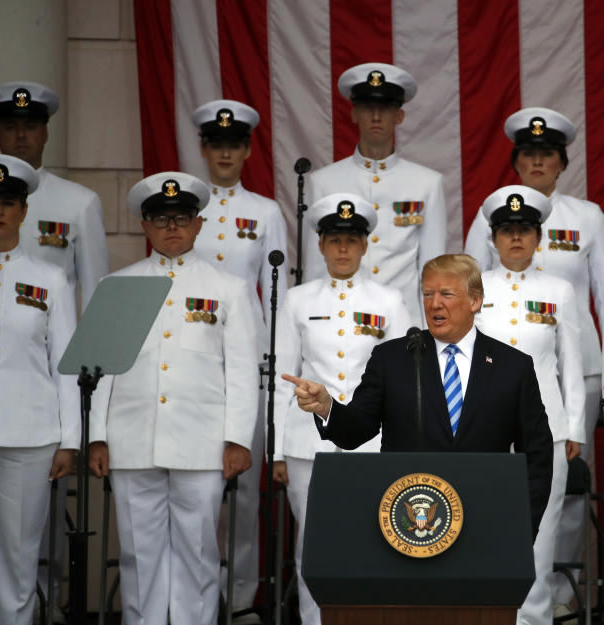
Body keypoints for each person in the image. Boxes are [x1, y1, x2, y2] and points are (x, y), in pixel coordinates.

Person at [88, 172, 259, 625]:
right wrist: (97, 436)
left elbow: (242, 371)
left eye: (181, 218)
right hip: (132, 437)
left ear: (199, 224)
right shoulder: (117, 285)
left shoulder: (228, 288)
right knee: (138, 556)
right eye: (160, 219)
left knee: (199, 553)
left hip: (202, 443)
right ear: (145, 226)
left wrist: (238, 439)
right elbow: (100, 371)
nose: (171, 227)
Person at [282, 253, 553, 535]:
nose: (434, 303)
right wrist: (328, 408)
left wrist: (522, 528)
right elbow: (356, 430)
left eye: (446, 294)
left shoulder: (513, 366)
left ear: (475, 301)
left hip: (485, 524)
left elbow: (537, 455)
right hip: (408, 523)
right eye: (427, 294)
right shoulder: (394, 358)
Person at [462, 109, 604, 610]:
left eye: (547, 153)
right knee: (485, 520)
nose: (517, 236)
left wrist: (573, 423)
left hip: (559, 388)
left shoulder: (585, 220)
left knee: (552, 510)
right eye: (529, 153)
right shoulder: (482, 268)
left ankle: (556, 601)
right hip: (486, 412)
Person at [0, 82, 110, 614]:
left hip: (29, 422)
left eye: (7, 204)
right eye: (10, 125)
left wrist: (78, 433)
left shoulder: (73, 214)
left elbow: (84, 340)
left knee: (22, 554)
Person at [271, 193, 409, 625]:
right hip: (307, 442)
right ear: (320, 245)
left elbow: (405, 381)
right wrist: (276, 449)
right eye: (334, 239)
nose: (344, 249)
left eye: (352, 239)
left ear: (366, 245)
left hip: (373, 441)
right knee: (313, 544)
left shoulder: (390, 302)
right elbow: (282, 379)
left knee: (376, 539)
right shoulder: (297, 300)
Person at [190, 98, 290, 619]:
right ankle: (200, 596)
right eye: (217, 144)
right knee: (198, 488)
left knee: (246, 493)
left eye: (235, 145)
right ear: (204, 149)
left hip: (249, 363)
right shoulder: (186, 206)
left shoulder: (266, 211)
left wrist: (274, 366)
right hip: (195, 363)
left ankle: (244, 598)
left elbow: (276, 296)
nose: (225, 153)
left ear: (247, 150)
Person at [474, 185, 584, 625]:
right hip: (485, 430)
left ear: (539, 237)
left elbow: (571, 365)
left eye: (524, 230)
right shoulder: (473, 288)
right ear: (493, 238)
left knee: (539, 542)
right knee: (484, 537)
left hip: (546, 432)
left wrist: (575, 427)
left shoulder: (560, 290)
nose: (515, 238)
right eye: (506, 230)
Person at [0, 154, 77, 624]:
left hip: (29, 432)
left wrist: (70, 439)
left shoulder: (49, 278)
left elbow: (64, 364)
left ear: (24, 212)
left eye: (8, 202)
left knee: (19, 554)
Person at [304, 62, 446, 320]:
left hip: (404, 320)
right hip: (339, 321)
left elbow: (433, 271)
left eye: (385, 108)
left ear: (399, 116)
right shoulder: (323, 182)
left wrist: (428, 334)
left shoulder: (426, 183)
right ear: (354, 113)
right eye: (369, 108)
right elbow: (315, 268)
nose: (377, 117)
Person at [0, 81, 109, 307]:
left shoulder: (80, 203)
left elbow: (96, 290)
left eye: (31, 126)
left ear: (45, 133)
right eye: (10, 127)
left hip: (57, 338)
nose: (21, 135)